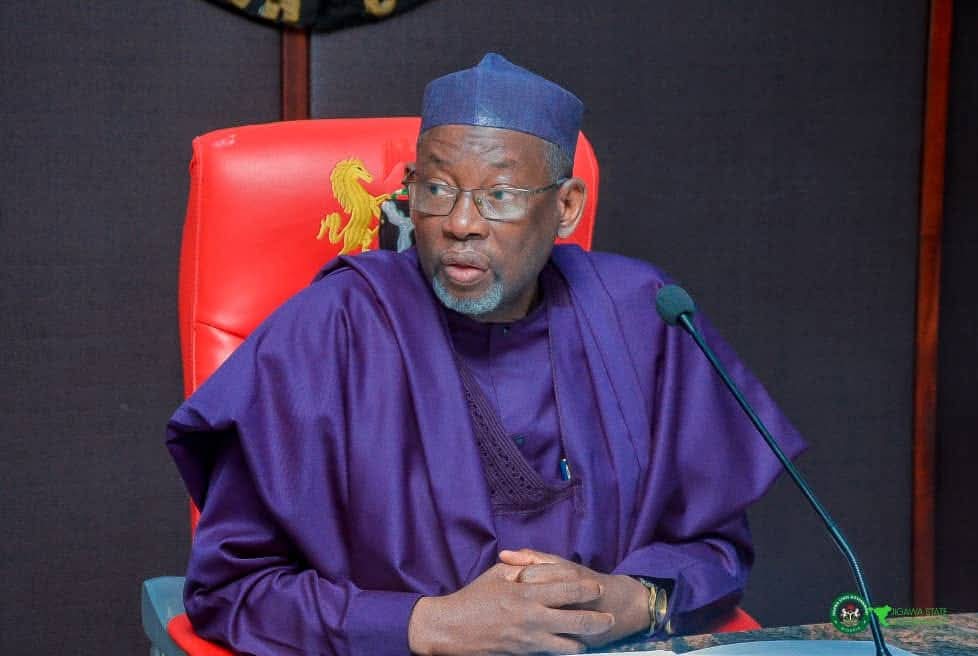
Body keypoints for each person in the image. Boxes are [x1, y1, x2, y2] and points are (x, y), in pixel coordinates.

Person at [167, 53, 806, 656]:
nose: (460, 223)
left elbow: (715, 548)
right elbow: (230, 590)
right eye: (436, 189)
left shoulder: (640, 313)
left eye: (499, 196)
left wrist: (633, 600)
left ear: (566, 206)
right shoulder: (330, 330)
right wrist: (426, 624)